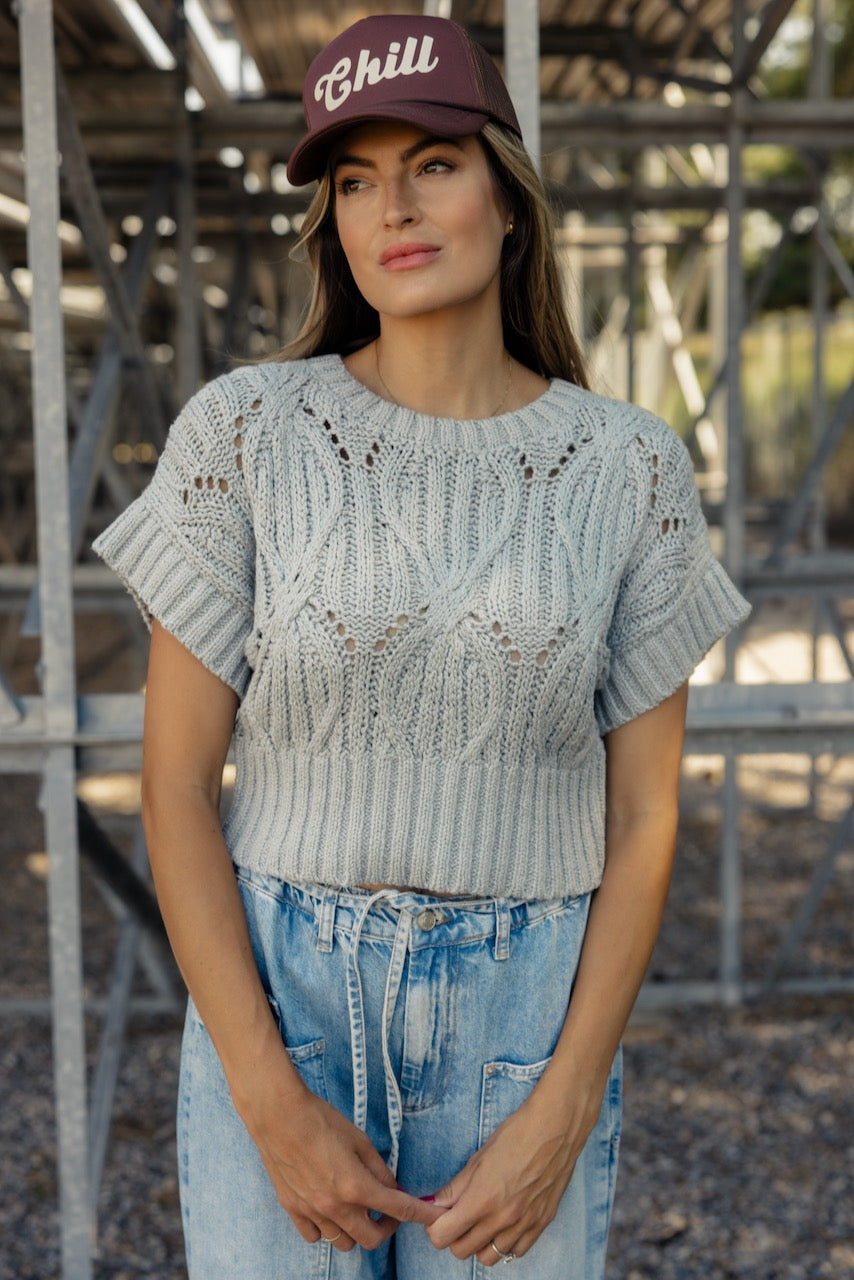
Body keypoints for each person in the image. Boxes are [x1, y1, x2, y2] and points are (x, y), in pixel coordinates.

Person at [93, 14, 750, 1278]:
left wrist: (562, 1107)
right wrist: (267, 1098)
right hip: (280, 1003)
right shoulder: (244, 434)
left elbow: (643, 819)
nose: (390, 203)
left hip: (525, 1019)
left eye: (432, 163)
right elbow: (173, 786)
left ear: (509, 199)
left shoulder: (628, 467)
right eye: (352, 179)